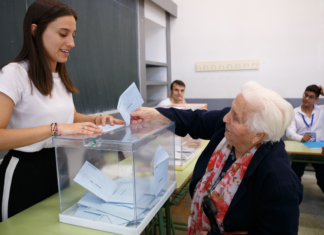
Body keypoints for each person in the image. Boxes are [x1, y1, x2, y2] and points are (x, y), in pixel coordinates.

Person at [0, 0, 124, 222]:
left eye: (73, 35)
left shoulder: (60, 75)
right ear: (35, 30)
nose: (71, 42)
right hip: (25, 173)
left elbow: (71, 117)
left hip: (61, 166)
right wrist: (54, 129)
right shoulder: (14, 74)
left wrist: (96, 119)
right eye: (63, 33)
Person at [130, 81, 303, 235]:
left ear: (258, 135)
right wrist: (154, 115)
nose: (226, 117)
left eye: (235, 116)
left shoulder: (279, 182)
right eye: (231, 109)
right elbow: (194, 120)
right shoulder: (228, 127)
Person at [286, 85, 324, 193]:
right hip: (301, 149)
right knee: (294, 176)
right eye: (305, 95)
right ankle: (294, 198)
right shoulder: (294, 112)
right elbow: (289, 132)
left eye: (311, 97)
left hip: (319, 150)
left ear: (316, 99)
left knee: (322, 179)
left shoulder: (321, 110)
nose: (306, 98)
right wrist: (301, 137)